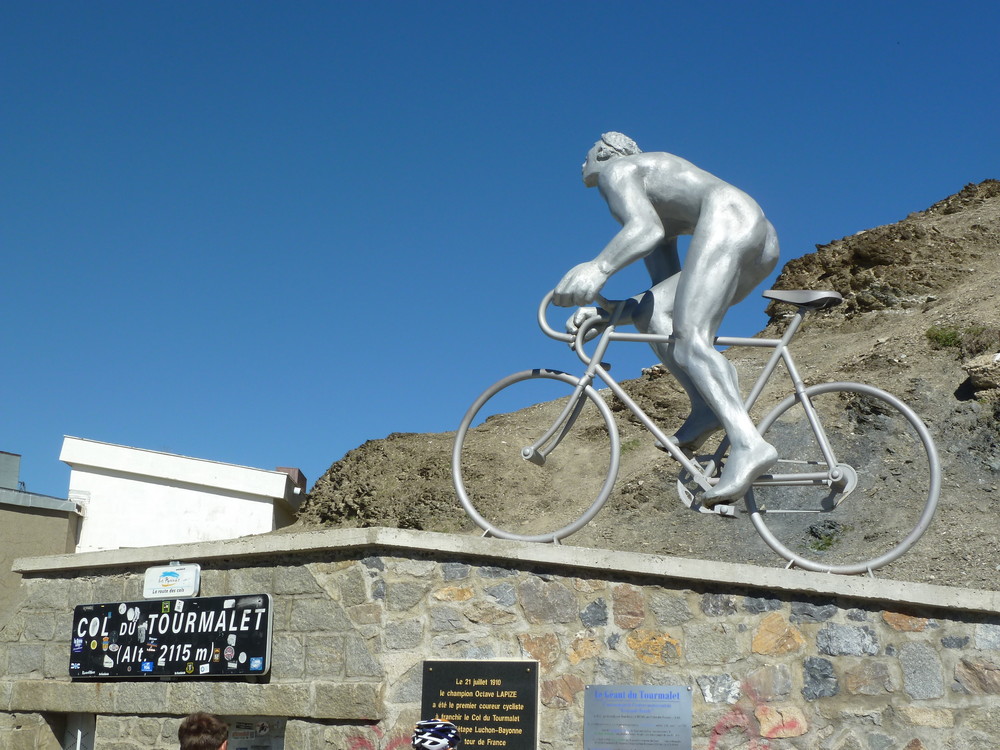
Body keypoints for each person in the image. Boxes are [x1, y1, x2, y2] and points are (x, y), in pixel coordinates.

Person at [553, 132, 780, 506]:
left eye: (589, 153)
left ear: (607, 153)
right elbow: (660, 299)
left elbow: (643, 230)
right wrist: (609, 314)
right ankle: (706, 409)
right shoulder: (657, 196)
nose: (584, 162)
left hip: (732, 217)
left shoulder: (619, 171)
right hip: (754, 234)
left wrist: (598, 268)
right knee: (658, 319)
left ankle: (748, 443)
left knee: (692, 340)